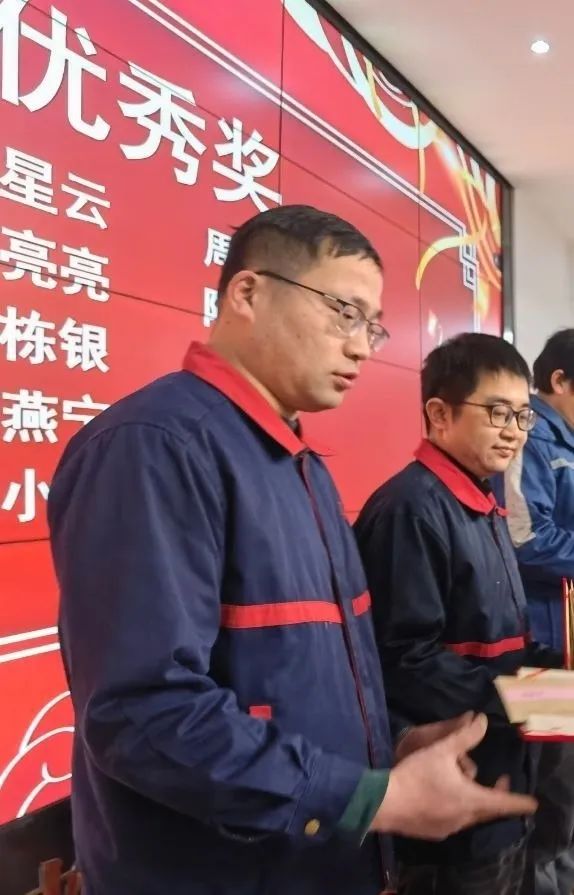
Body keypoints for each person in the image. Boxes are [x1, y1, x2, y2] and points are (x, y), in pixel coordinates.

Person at [48, 208, 536, 895]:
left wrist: (387, 748)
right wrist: (365, 794)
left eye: (373, 326)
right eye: (344, 313)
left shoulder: (299, 465)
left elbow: (302, 679)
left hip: (318, 862)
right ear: (248, 293)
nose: (362, 347)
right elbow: (143, 711)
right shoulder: (157, 447)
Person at [355, 333, 559, 895]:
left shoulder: (481, 503)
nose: (515, 431)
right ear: (439, 414)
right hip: (450, 799)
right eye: (497, 412)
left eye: (522, 415)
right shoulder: (411, 510)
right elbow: (404, 661)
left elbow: (505, 640)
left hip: (501, 778)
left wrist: (559, 680)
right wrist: (541, 700)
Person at [501, 329, 574, 895]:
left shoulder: (566, 441)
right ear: (559, 380)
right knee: (549, 788)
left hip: (564, 639)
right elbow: (525, 539)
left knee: (565, 787)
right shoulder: (530, 434)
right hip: (539, 646)